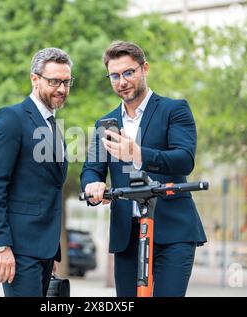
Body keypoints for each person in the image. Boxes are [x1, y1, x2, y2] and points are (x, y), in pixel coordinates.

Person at [81, 41, 207, 297]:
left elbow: (184, 159)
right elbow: (91, 169)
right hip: (127, 235)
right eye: (114, 76)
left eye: (128, 72)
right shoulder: (105, 123)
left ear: (144, 68)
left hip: (172, 230)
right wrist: (92, 184)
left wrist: (137, 153)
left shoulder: (174, 109)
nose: (122, 81)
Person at [0, 48, 73, 297]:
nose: (61, 89)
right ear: (35, 79)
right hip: (18, 249)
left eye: (66, 81)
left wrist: (51, 251)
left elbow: (48, 188)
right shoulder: (11, 118)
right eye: (54, 81)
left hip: (44, 250)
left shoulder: (53, 126)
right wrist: (0, 245)